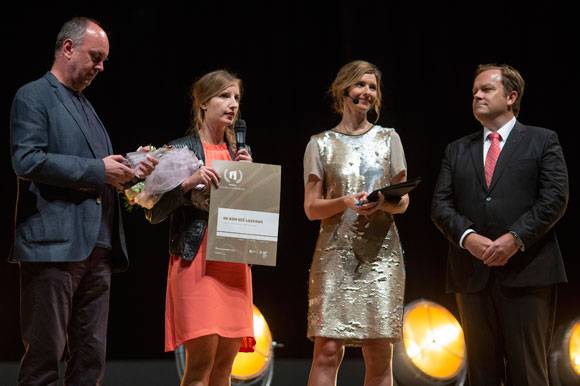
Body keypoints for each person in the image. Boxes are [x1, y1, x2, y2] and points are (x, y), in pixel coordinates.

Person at [9, 16, 156, 385]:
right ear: (68, 48)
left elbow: (98, 168)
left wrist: (128, 168)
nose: (101, 67)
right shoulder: (33, 96)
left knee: (90, 360)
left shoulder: (86, 106)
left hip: (98, 250)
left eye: (103, 59)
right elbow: (26, 160)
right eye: (96, 57)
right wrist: (98, 171)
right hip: (54, 249)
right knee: (44, 358)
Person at [431, 63, 569, 386]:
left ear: (511, 96)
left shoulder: (542, 140)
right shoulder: (456, 149)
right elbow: (440, 205)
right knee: (482, 375)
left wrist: (514, 238)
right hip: (471, 275)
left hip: (527, 272)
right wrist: (468, 237)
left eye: (486, 89)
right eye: (474, 91)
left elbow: (554, 199)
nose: (477, 95)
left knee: (528, 374)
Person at [303, 60, 409, 386]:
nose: (366, 92)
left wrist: (383, 202)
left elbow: (403, 201)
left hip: (382, 255)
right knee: (328, 349)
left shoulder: (389, 138)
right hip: (336, 254)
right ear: (343, 90)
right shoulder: (319, 143)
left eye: (372, 87)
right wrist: (344, 202)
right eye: (360, 85)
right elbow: (311, 208)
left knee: (379, 351)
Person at [145, 69, 254, 386]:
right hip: (196, 262)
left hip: (234, 265)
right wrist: (188, 184)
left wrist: (251, 180)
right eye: (224, 96)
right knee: (200, 366)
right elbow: (153, 211)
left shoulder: (241, 154)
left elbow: (255, 217)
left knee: (224, 367)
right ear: (203, 103)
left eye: (236, 97)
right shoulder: (181, 151)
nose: (232, 103)